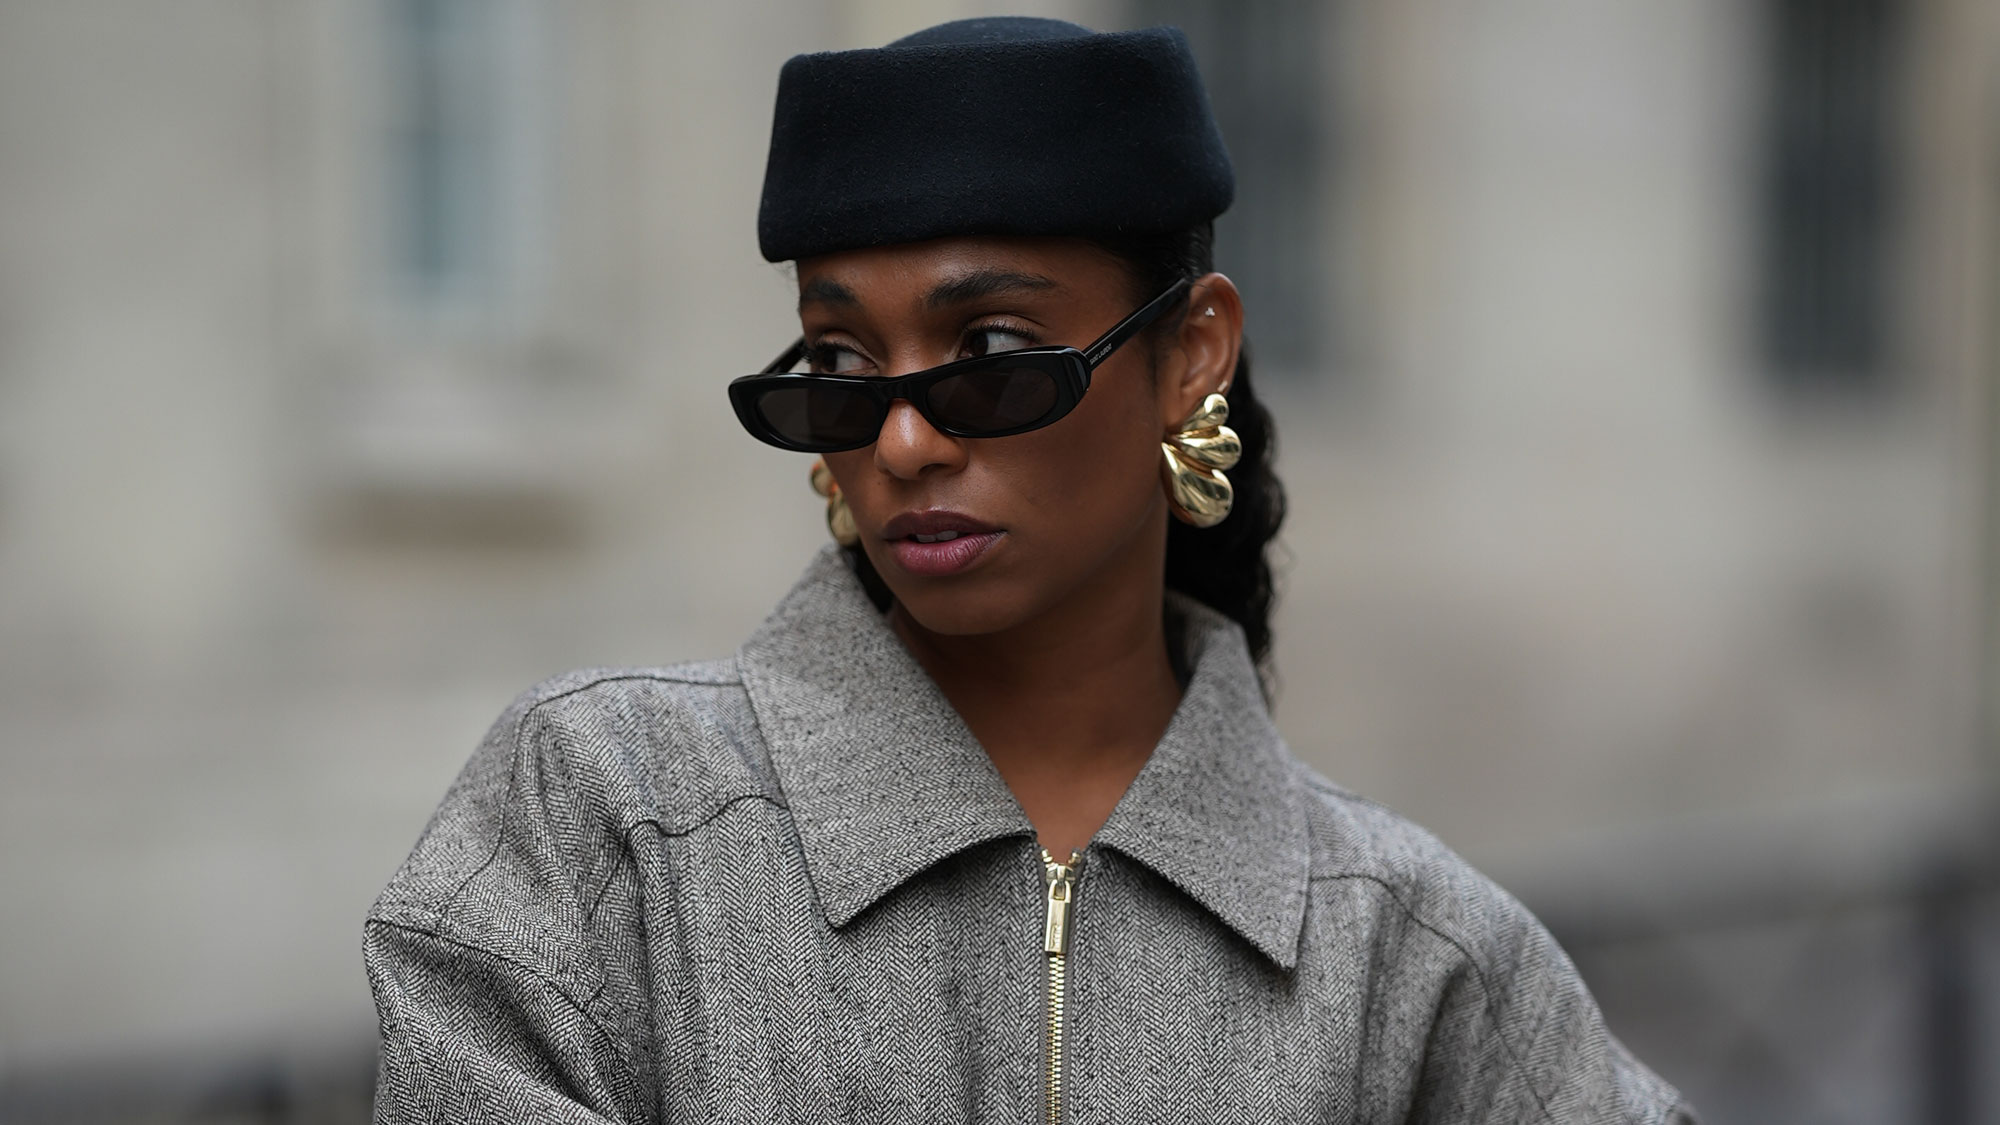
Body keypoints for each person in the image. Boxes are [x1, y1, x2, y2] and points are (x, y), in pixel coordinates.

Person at [365, 16, 1695, 1124]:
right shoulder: (604, 823)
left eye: (989, 349)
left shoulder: (1414, 958)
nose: (899, 438)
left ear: (1192, 355)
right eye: (837, 364)